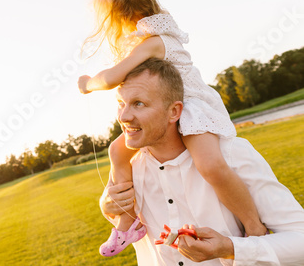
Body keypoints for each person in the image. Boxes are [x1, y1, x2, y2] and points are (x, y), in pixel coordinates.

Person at [77, 0, 266, 256]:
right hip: (162, 111)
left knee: (210, 165)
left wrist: (88, 84)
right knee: (118, 152)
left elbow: (112, 77)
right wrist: (107, 202)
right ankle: (128, 224)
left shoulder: (157, 40)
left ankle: (254, 227)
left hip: (190, 108)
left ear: (116, 14)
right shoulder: (141, 41)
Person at [100, 58, 304, 265]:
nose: (123, 116)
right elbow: (120, 217)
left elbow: (300, 240)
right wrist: (107, 208)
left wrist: (231, 248)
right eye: (120, 103)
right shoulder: (126, 167)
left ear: (174, 112)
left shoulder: (232, 154)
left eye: (139, 103)